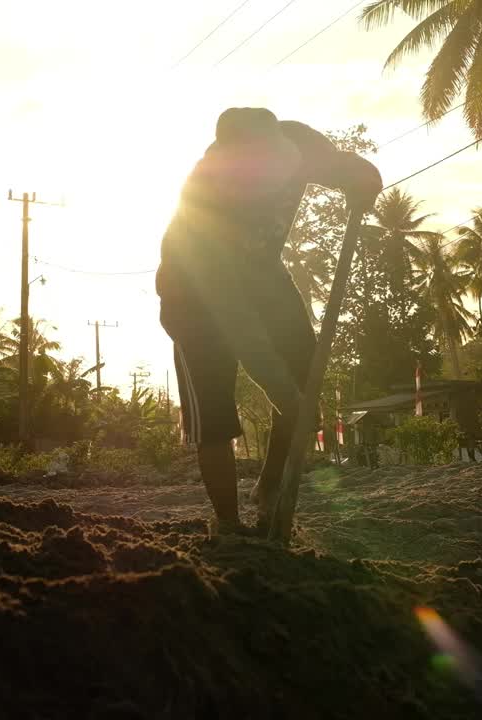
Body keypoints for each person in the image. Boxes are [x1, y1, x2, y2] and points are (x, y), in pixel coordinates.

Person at [155, 107, 382, 536]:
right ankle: (228, 524)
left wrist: (365, 179)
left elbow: (348, 167)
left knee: (305, 378)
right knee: (216, 415)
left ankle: (269, 488)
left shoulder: (297, 142)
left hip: (261, 275)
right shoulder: (207, 200)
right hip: (196, 297)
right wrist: (284, 395)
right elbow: (239, 325)